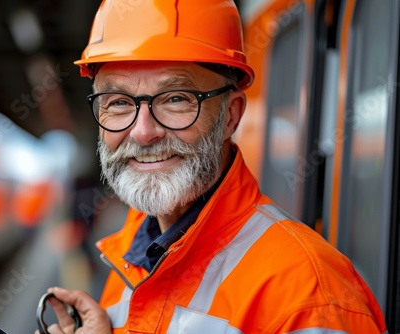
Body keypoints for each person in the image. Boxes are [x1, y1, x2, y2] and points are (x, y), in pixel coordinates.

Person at [37, 0, 388, 333]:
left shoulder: (310, 298)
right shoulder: (135, 248)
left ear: (231, 116)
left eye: (176, 99)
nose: (143, 132)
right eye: (118, 103)